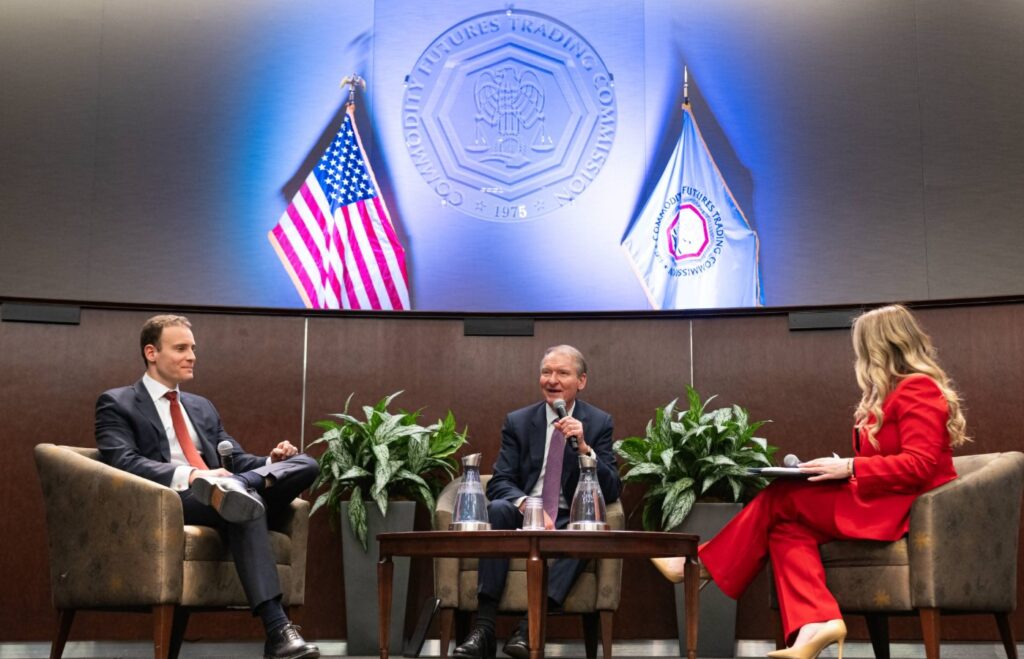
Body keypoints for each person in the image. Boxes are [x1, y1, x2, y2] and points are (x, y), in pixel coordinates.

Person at [650, 304, 969, 659]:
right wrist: (839, 467)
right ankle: (817, 624)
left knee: (782, 495)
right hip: (877, 498)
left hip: (897, 509)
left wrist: (849, 467)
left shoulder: (918, 389)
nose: (857, 355)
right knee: (785, 530)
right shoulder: (889, 395)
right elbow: (886, 458)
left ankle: (701, 563)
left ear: (880, 347)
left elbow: (920, 465)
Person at [95, 314, 320, 659]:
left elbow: (234, 460)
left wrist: (270, 463)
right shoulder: (117, 403)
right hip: (174, 500)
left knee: (306, 464)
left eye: (193, 348)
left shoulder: (201, 406)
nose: (192, 356)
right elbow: (123, 462)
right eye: (181, 348)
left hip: (226, 489)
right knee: (241, 504)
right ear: (151, 352)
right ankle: (278, 630)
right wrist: (193, 476)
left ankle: (239, 489)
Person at [453, 345, 621, 659]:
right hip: (524, 511)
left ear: (581, 381)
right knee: (499, 509)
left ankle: (529, 625)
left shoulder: (598, 423)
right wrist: (529, 507)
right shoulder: (519, 421)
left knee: (588, 532)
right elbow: (501, 481)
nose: (552, 379)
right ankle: (484, 629)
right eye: (546, 372)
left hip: (568, 517)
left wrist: (584, 449)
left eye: (562, 373)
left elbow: (611, 491)